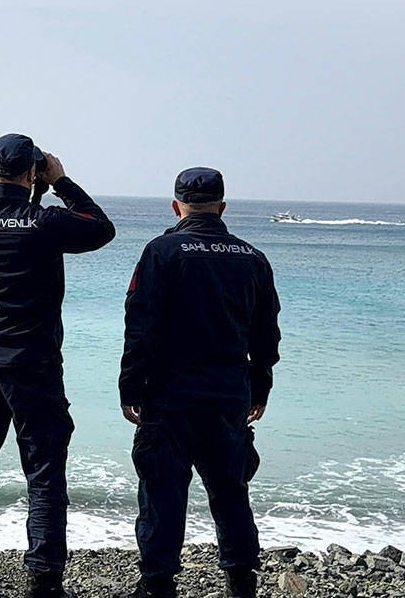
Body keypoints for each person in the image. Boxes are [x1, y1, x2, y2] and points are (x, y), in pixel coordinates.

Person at [0, 134, 116, 598]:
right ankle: (43, 582)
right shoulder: (45, 222)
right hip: (33, 367)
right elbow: (100, 227)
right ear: (33, 172)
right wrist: (59, 182)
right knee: (43, 478)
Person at [118, 167, 281, 598]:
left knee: (162, 495)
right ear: (222, 207)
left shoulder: (162, 252)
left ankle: (157, 585)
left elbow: (140, 326)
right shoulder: (253, 258)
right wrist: (259, 388)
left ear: (176, 206)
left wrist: (130, 387)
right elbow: (266, 335)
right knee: (231, 494)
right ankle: (241, 582)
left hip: (170, 399)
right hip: (228, 397)